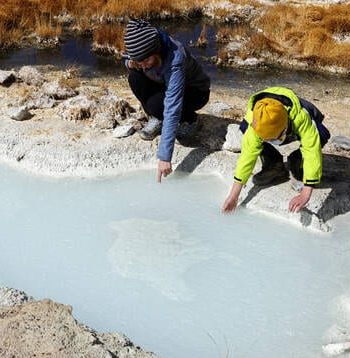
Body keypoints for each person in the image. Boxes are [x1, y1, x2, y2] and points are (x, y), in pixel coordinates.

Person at [122, 19, 211, 182]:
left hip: (196, 92)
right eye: (139, 61)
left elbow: (172, 106)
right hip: (164, 83)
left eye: (146, 61)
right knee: (135, 77)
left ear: (156, 51)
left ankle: (191, 120)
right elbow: (127, 58)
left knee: (158, 105)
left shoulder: (175, 59)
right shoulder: (141, 41)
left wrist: (164, 156)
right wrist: (131, 63)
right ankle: (157, 118)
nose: (143, 66)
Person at [222, 86, 331, 215]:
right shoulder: (255, 121)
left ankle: (296, 160)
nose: (271, 141)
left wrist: (306, 193)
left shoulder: (301, 117)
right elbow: (248, 156)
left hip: (300, 113)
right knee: (245, 131)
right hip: (271, 123)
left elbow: (311, 150)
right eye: (265, 138)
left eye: (274, 138)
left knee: (321, 135)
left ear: (285, 128)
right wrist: (234, 195)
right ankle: (274, 165)